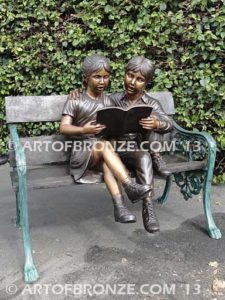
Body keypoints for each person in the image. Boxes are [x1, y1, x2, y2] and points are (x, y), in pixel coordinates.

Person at [69, 56, 173, 234]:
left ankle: (148, 208)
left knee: (144, 156)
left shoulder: (151, 103)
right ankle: (125, 200)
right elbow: (93, 95)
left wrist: (157, 124)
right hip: (111, 148)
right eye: (130, 76)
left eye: (139, 79)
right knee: (113, 153)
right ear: (124, 75)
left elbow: (168, 123)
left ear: (147, 82)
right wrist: (78, 90)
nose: (132, 82)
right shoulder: (113, 98)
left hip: (132, 150)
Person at [60, 54, 151, 224]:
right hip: (82, 152)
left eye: (106, 77)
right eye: (97, 77)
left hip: (102, 151)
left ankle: (120, 208)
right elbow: (64, 127)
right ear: (86, 78)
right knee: (103, 146)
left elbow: (112, 129)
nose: (102, 81)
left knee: (109, 162)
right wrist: (83, 129)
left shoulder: (108, 101)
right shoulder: (76, 99)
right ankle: (129, 185)